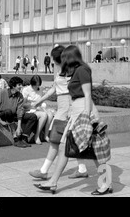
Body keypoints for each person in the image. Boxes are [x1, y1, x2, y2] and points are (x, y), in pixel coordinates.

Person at [34, 45, 111, 196]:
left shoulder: (82, 70)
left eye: (64, 58)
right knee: (64, 146)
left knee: (94, 150)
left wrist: (87, 116)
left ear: (69, 57)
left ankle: (106, 183)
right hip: (77, 109)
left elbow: (87, 94)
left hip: (83, 109)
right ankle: (53, 182)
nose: (62, 61)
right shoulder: (77, 70)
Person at [28, 46, 90, 181]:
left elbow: (74, 91)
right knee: (70, 141)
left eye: (55, 60)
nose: (54, 62)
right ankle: (82, 169)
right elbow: (54, 89)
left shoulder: (73, 72)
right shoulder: (62, 71)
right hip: (63, 108)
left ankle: (45, 171)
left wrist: (72, 112)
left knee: (57, 141)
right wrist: (40, 101)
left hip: (67, 109)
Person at [0, 77, 38, 148]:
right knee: (8, 111)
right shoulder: (2, 92)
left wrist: (19, 127)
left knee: (33, 116)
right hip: (4, 114)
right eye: (19, 85)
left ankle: (24, 138)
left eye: (21, 85)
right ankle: (16, 139)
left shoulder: (20, 96)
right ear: (13, 86)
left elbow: (20, 111)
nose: (21, 86)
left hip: (14, 115)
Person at [22, 75, 54, 145]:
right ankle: (37, 136)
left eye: (38, 85)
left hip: (38, 108)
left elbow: (41, 102)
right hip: (29, 109)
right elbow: (23, 105)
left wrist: (42, 107)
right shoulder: (26, 90)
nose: (37, 87)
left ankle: (46, 135)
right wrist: (32, 105)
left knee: (50, 114)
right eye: (35, 85)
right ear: (32, 84)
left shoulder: (40, 89)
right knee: (44, 115)